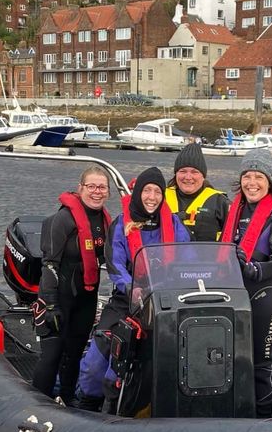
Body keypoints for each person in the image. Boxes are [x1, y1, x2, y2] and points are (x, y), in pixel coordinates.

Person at [75, 166, 189, 411]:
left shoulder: (175, 225)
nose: (152, 197)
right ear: (138, 193)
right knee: (98, 357)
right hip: (126, 301)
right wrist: (131, 288)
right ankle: (87, 403)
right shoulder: (120, 225)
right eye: (147, 190)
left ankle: (135, 407)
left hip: (162, 302)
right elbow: (114, 263)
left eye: (157, 192)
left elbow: (185, 257)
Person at [222, 148, 272, 418]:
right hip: (232, 297)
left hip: (263, 298)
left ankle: (265, 421)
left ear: (270, 181)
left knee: (261, 366)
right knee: (230, 362)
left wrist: (253, 269)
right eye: (247, 176)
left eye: (258, 177)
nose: (251, 183)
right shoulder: (234, 211)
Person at [31, 166, 112, 402]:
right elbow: (49, 264)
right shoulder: (63, 219)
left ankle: (67, 400)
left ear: (107, 191)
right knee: (52, 355)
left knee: (75, 353)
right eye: (91, 186)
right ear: (81, 188)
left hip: (86, 300)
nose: (96, 192)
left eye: (102, 187)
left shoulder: (104, 221)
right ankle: (37, 403)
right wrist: (51, 304)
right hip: (58, 298)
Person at [165, 142, 229, 242]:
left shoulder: (220, 202)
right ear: (176, 174)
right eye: (183, 171)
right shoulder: (160, 198)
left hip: (206, 256)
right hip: (169, 256)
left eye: (194, 172)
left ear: (203, 176)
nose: (188, 177)